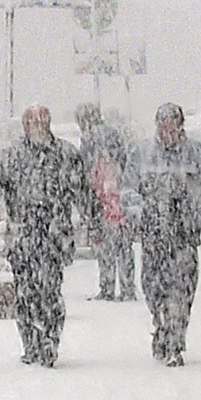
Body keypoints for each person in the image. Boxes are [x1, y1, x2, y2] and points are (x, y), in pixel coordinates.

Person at [0, 105, 86, 365]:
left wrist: (88, 220)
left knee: (50, 290)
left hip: (54, 235)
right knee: (26, 292)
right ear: (25, 127)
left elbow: (83, 191)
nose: (37, 127)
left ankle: (50, 340)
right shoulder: (10, 157)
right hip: (23, 235)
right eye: (32, 123)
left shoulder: (66, 155)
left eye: (42, 121)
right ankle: (31, 343)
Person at [130, 103, 201, 365]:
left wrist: (193, 218)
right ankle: (161, 323)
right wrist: (142, 213)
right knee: (153, 288)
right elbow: (127, 190)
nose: (167, 130)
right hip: (153, 237)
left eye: (173, 124)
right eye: (163, 124)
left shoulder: (196, 154)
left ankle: (175, 342)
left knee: (182, 291)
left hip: (184, 237)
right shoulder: (141, 153)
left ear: (181, 126)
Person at [74, 102, 138, 302]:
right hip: (120, 198)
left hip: (102, 199)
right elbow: (126, 163)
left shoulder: (89, 139)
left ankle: (108, 287)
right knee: (124, 247)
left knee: (106, 247)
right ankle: (127, 288)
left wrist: (87, 203)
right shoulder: (115, 135)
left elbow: (85, 172)